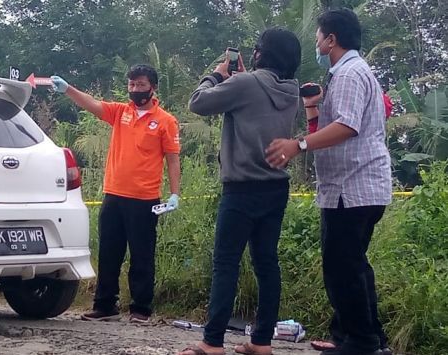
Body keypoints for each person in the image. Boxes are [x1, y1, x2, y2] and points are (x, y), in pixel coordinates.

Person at [265, 8, 392, 355]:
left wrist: (297, 145)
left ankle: (360, 342)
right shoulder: (349, 72)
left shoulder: (350, 74)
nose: (317, 41)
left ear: (331, 39)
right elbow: (332, 126)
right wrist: (313, 108)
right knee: (353, 264)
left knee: (342, 267)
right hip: (353, 187)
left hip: (353, 187)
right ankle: (363, 337)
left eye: (319, 35)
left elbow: (347, 127)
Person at [178, 28, 301, 355]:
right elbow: (258, 97)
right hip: (276, 187)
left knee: (226, 263)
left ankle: (213, 342)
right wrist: (244, 80)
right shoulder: (292, 90)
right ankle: (262, 342)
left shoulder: (244, 84)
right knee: (266, 263)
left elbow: (198, 103)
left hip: (241, 188)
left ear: (260, 53)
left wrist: (216, 76)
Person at [50, 65, 181, 323]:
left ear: (153, 87)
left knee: (142, 256)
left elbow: (173, 160)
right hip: (113, 194)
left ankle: (141, 309)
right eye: (131, 85)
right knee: (109, 253)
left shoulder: (165, 120)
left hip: (144, 199)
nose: (135, 90)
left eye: (140, 85)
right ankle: (105, 305)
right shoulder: (121, 112)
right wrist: (68, 90)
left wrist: (174, 193)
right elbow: (92, 104)